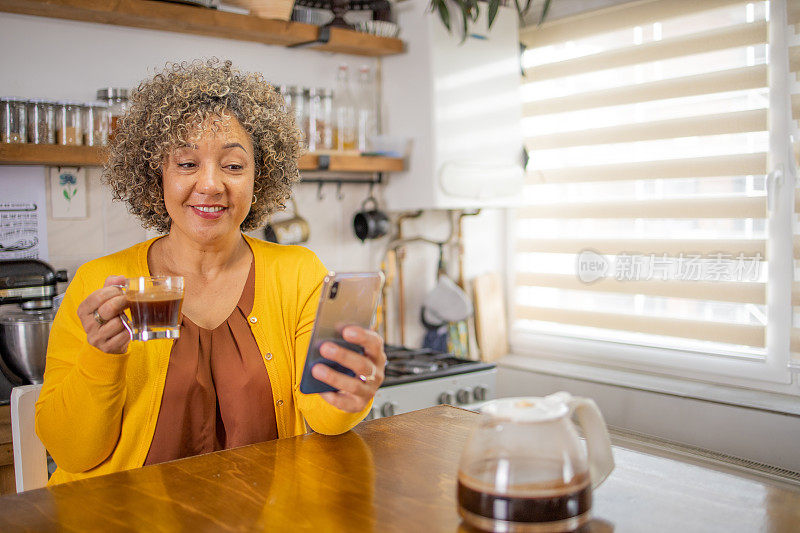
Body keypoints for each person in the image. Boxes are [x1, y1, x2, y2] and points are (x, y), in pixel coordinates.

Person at [35, 59, 385, 485]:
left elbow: (326, 419)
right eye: (186, 164)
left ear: (260, 176)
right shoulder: (100, 282)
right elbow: (70, 451)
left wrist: (349, 392)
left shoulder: (299, 274)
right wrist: (100, 359)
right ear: (155, 173)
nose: (211, 184)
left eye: (233, 166)